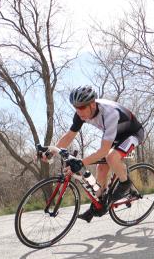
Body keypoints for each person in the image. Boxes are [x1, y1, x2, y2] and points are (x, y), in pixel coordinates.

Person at [46, 85, 145, 222]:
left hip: (133, 133)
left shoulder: (110, 113)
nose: (78, 111)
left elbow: (104, 151)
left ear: (92, 104)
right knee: (101, 167)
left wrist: (80, 162)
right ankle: (101, 203)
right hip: (116, 136)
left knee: (111, 156)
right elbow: (69, 136)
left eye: (81, 107)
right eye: (75, 107)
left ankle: (125, 183)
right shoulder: (80, 114)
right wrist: (51, 152)